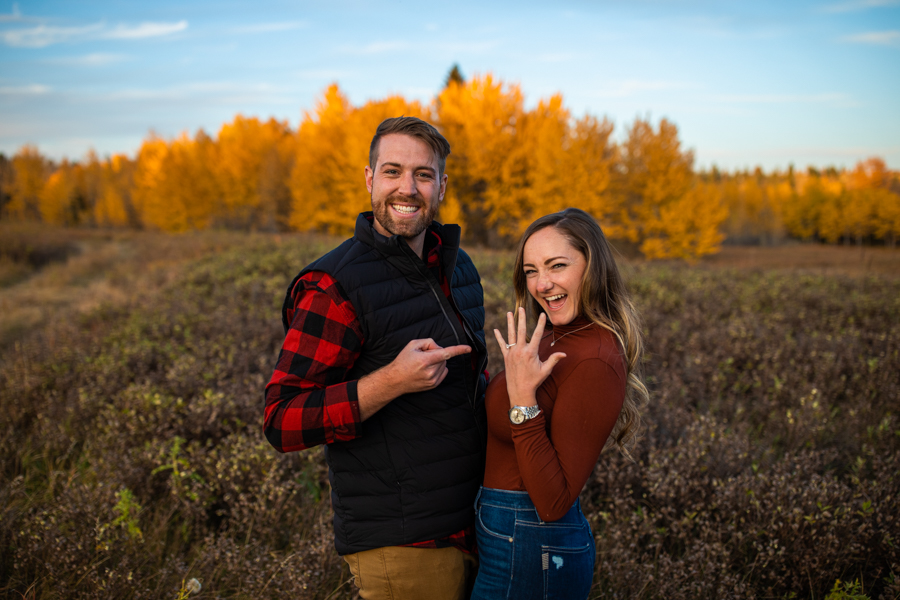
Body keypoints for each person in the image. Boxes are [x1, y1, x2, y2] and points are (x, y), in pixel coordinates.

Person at [263, 117, 488, 600]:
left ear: (441, 186)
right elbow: (281, 420)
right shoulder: (333, 285)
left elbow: (464, 388)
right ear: (369, 179)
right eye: (392, 171)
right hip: (401, 545)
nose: (407, 188)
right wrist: (391, 381)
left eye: (423, 175)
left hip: (475, 524)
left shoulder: (460, 268)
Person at [470, 208, 648, 600]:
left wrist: (521, 399)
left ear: (592, 266)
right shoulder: (554, 334)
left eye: (557, 265)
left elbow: (552, 502)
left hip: (534, 544)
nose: (542, 283)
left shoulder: (595, 358)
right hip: (511, 539)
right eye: (531, 270)